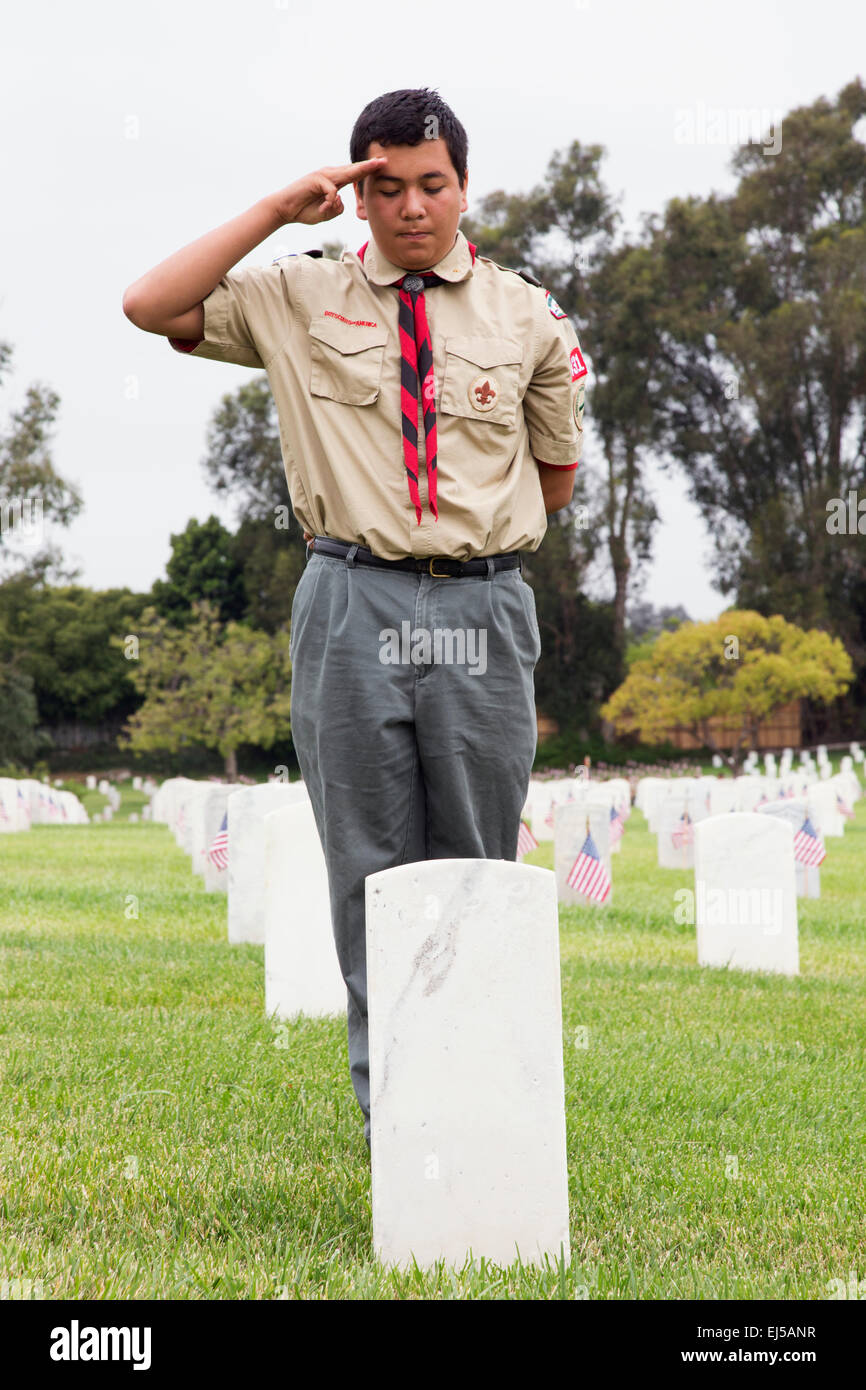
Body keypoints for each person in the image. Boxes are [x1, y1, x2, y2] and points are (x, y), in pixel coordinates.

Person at [122, 87, 587, 1151]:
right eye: (384, 185)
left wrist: (456, 546)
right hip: (349, 595)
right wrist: (273, 212)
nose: (411, 206)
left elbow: (552, 479)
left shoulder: (526, 315)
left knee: (473, 859)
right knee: (365, 864)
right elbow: (151, 305)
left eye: (431, 182)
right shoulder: (297, 295)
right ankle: (401, 1115)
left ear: (463, 185)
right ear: (354, 191)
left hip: (478, 599)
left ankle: (481, 1102)